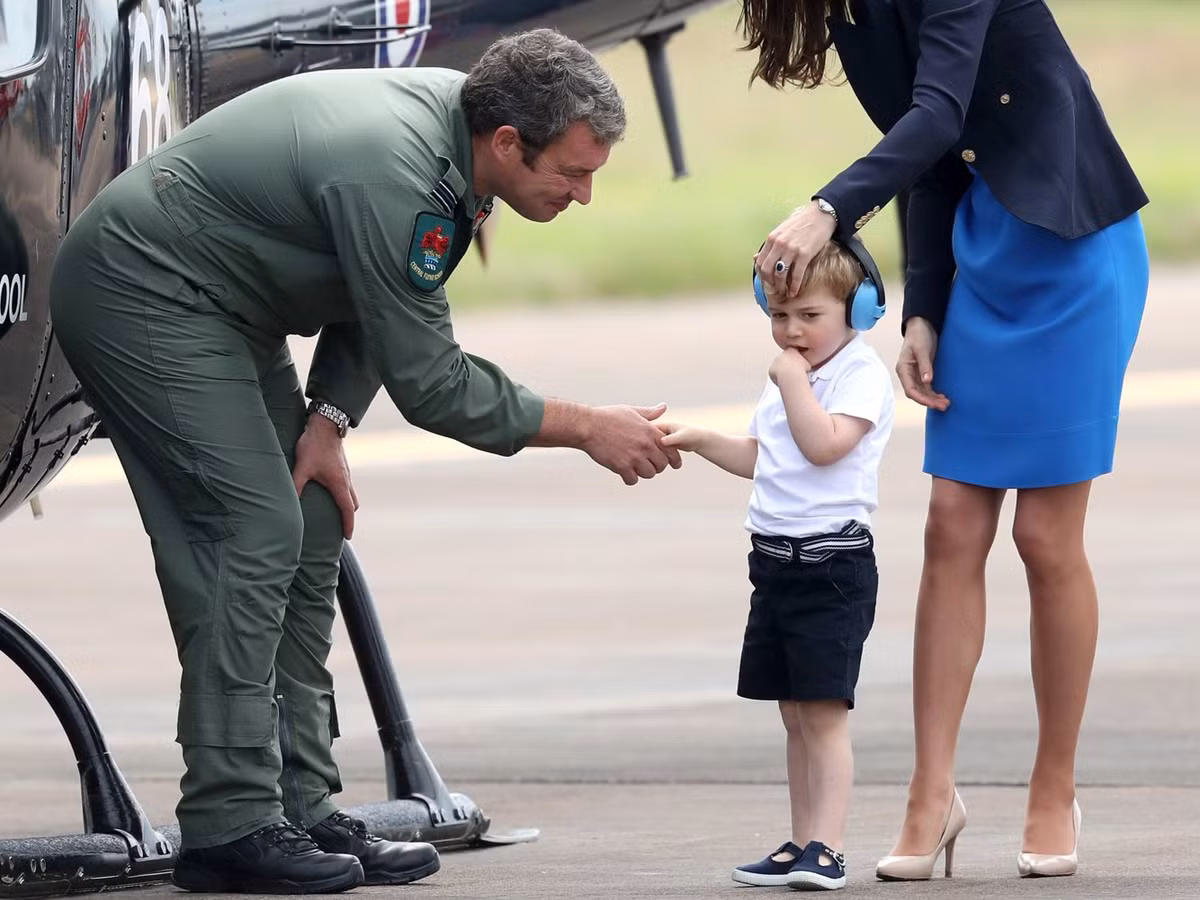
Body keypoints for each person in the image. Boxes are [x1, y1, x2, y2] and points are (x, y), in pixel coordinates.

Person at [49, 28, 681, 895]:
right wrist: (585, 427)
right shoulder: (397, 169)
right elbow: (433, 382)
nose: (583, 195)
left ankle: (300, 806)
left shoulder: (461, 139)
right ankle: (229, 824)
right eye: (571, 174)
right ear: (507, 144)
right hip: (142, 289)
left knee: (308, 518)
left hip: (225, 304)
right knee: (255, 527)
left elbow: (380, 290)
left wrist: (331, 419)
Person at [740, 0, 1150, 882]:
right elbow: (929, 157)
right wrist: (924, 306)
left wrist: (828, 208)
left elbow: (939, 115)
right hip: (981, 262)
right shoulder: (849, 15)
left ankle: (1054, 786)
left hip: (1074, 249)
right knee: (950, 528)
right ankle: (933, 792)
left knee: (1045, 538)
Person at [660, 239, 894, 891]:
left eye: (810, 317)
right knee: (793, 713)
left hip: (831, 567)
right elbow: (768, 458)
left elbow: (823, 447)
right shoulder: (798, 376)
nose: (792, 332)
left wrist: (792, 381)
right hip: (774, 565)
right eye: (780, 315)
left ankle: (831, 846)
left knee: (823, 713)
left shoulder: (858, 376)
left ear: (860, 309)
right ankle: (800, 841)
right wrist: (704, 440)